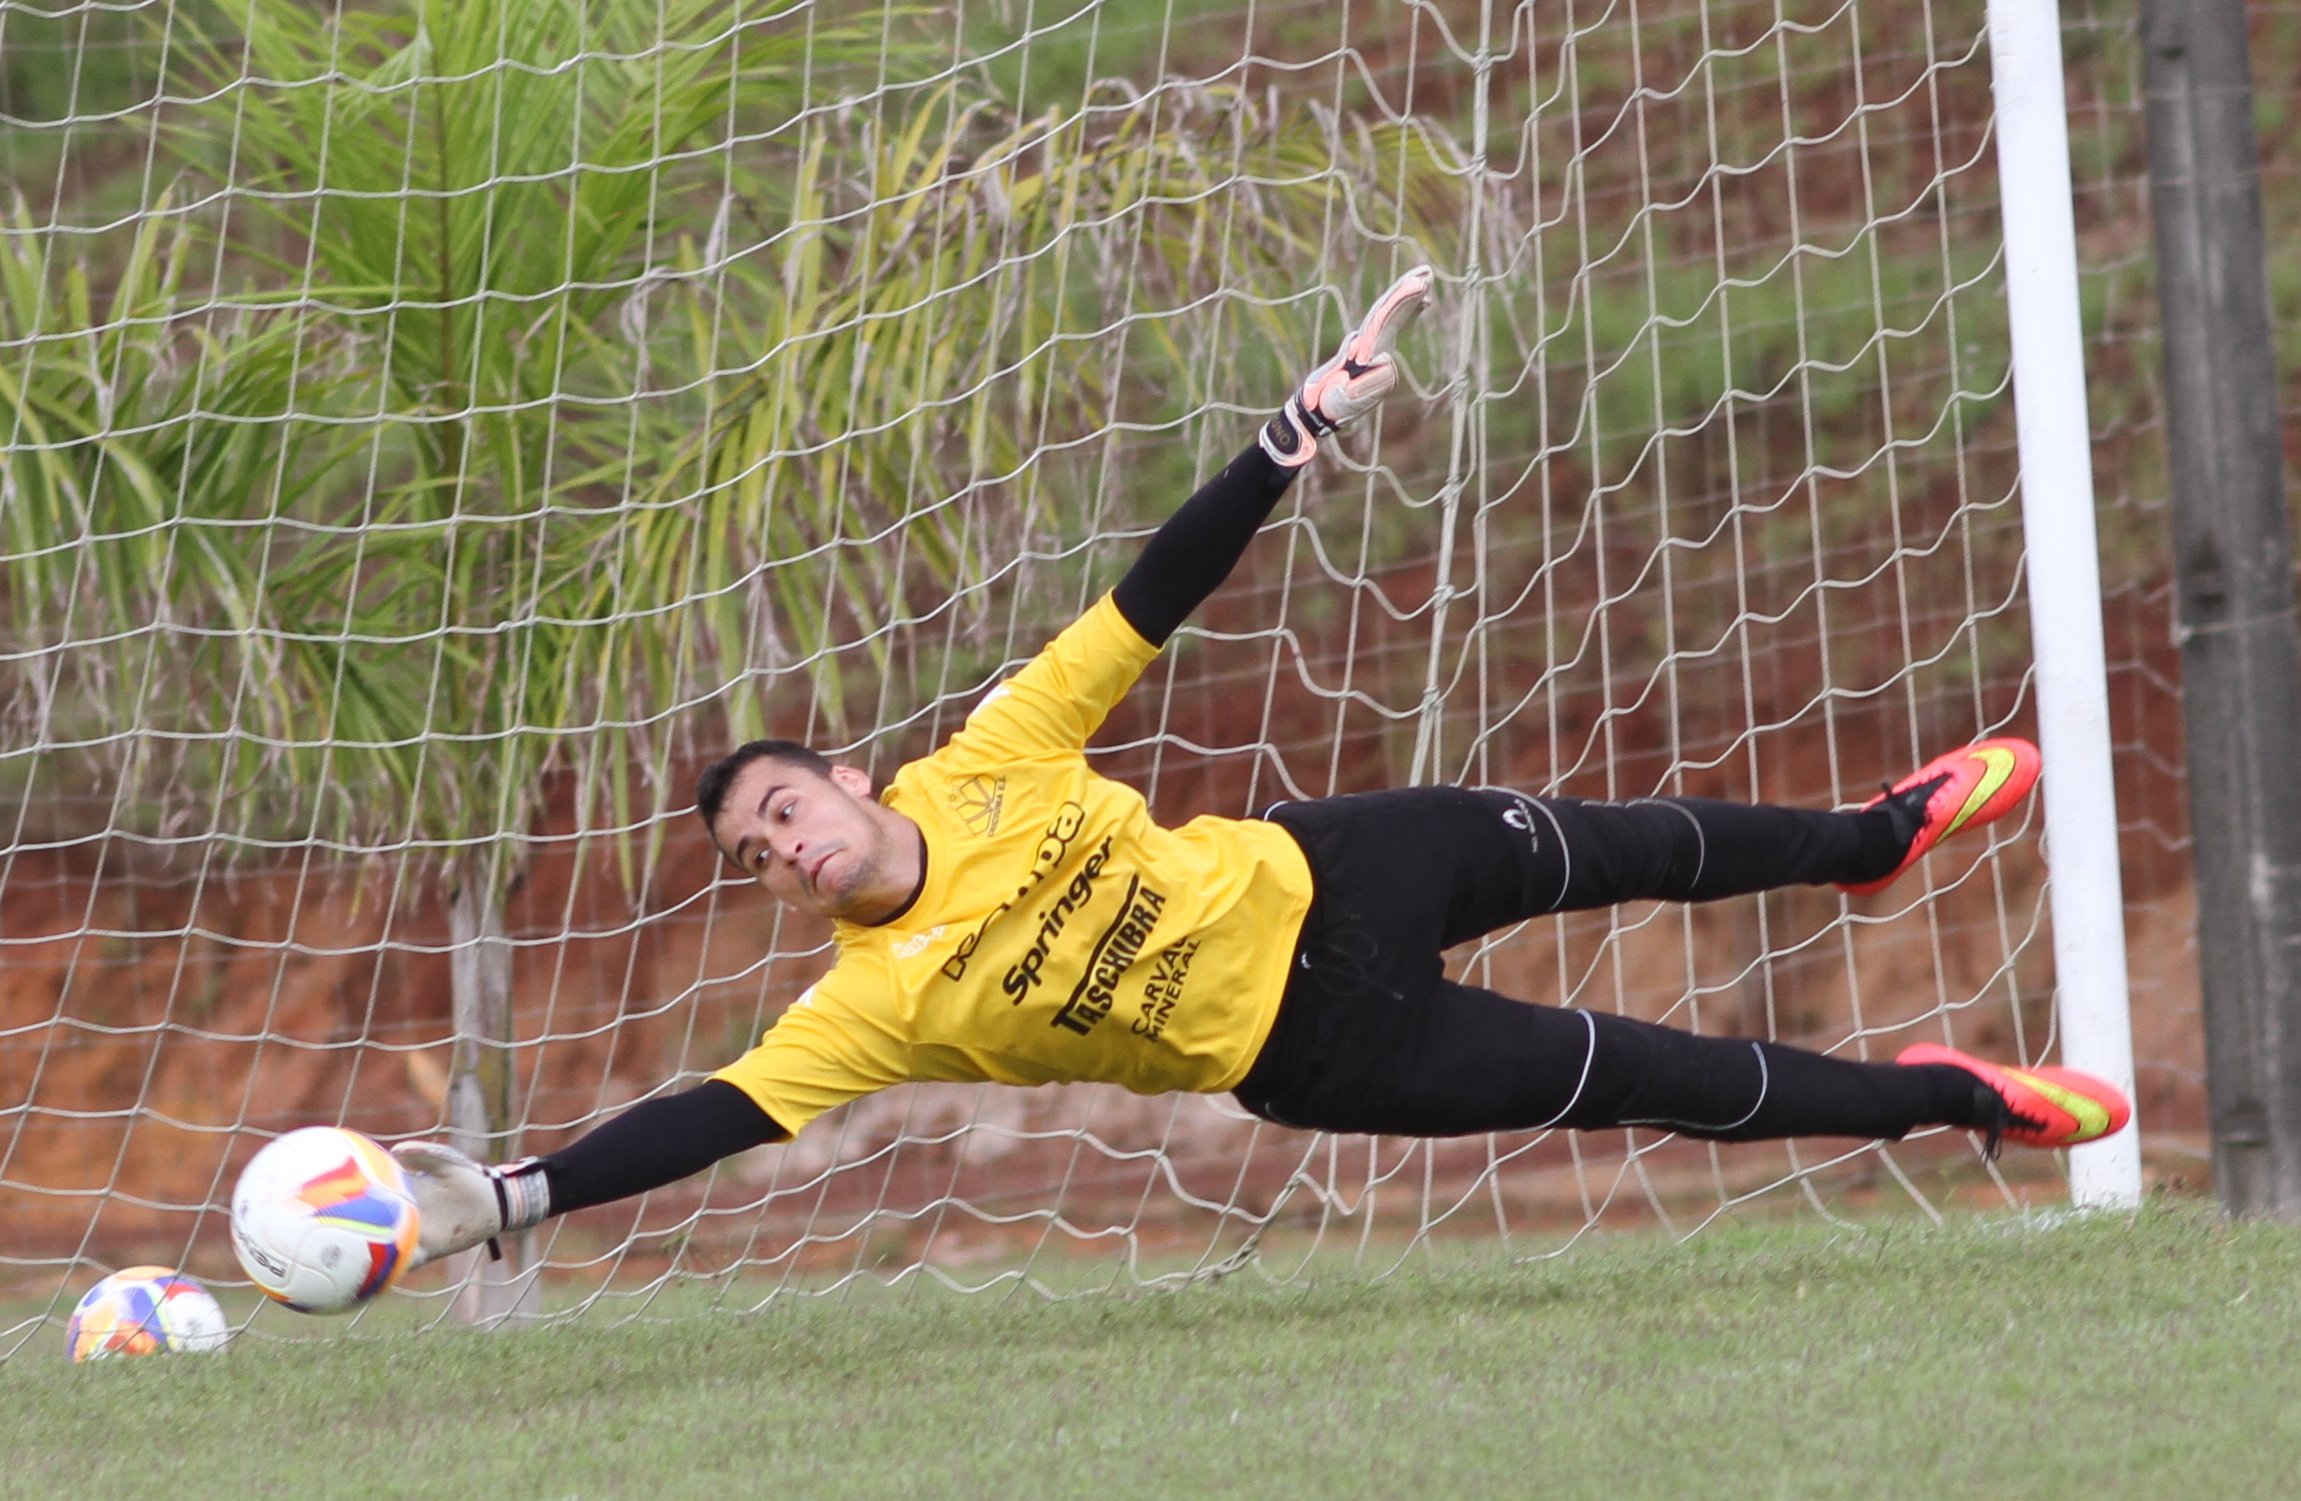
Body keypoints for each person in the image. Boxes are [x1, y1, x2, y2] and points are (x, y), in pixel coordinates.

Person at [388, 267, 2130, 1269]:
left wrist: (1293, 431)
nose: (781, 847)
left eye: (781, 807)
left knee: (1625, 845)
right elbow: (709, 1114)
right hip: (1324, 1044)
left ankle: (1871, 837)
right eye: (757, 854)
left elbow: (1145, 598)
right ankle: (1958, 1098)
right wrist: (522, 1191)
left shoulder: (990, 753)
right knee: (1658, 1072)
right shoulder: (870, 1005)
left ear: (843, 774)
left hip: (1335, 866)